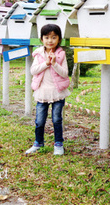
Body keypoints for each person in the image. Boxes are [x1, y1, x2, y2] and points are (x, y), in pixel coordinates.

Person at [26, 24, 71, 155]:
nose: (50, 40)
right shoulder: (39, 54)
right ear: (41, 39)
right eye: (46, 37)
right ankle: (38, 143)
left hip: (57, 92)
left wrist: (54, 63)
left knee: (57, 119)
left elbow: (64, 73)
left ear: (59, 39)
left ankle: (58, 144)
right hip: (42, 92)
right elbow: (33, 70)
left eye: (53, 37)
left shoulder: (61, 54)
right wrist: (46, 63)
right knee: (39, 121)